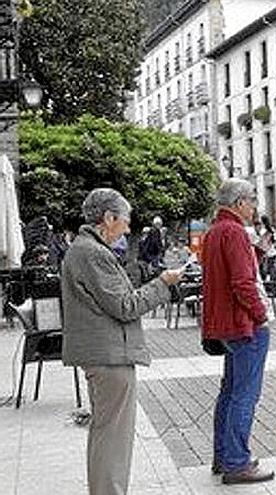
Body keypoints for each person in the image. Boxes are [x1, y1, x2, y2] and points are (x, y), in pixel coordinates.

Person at [61, 188, 182, 495]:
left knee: (106, 433)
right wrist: (162, 284)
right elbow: (125, 306)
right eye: (125, 221)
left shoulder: (86, 249)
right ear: (108, 218)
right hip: (110, 356)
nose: (128, 228)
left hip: (104, 354)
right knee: (114, 437)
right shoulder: (93, 252)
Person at [201, 179, 275, 485]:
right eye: (252, 201)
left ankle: (224, 455)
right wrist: (261, 315)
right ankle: (236, 462)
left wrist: (256, 253)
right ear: (240, 202)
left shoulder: (216, 231)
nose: (254, 207)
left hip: (225, 326)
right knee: (245, 395)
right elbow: (243, 284)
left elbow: (233, 272)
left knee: (230, 393)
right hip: (243, 326)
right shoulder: (234, 232)